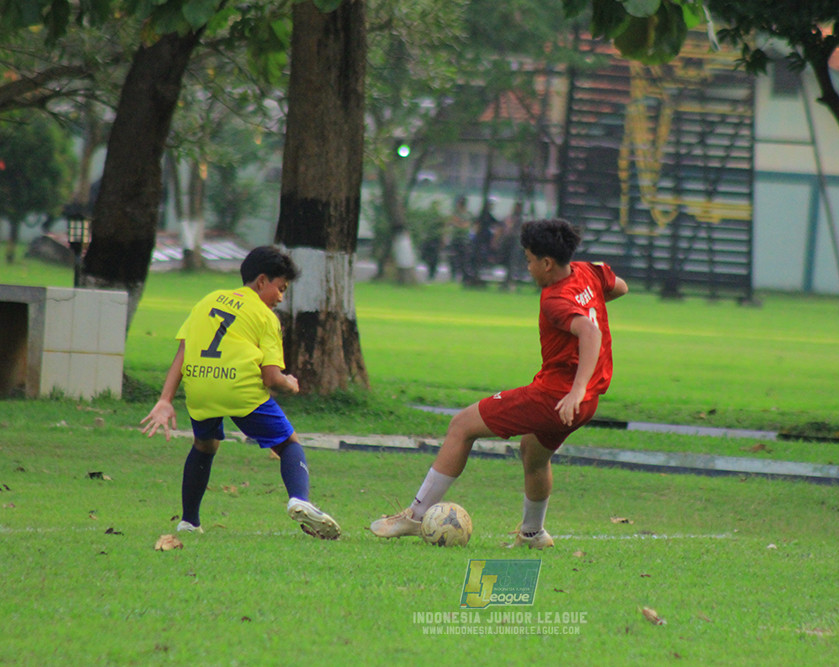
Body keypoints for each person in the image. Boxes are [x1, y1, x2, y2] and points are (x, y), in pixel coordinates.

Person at [370, 219, 628, 548]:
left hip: (557, 396)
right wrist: (591, 303)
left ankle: (415, 515)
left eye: (530, 259)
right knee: (533, 454)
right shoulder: (589, 271)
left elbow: (589, 333)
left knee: (462, 425)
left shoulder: (555, 299)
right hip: (586, 402)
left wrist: (575, 389)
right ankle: (533, 534)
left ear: (547, 263)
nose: (528, 266)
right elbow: (620, 287)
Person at [141, 245, 341, 540]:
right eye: (280, 288)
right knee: (288, 444)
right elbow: (271, 378)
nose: (281, 298)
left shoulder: (207, 301)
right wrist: (289, 382)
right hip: (240, 390)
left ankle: (189, 521)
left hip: (200, 387)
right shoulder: (264, 316)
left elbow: (183, 351)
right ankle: (300, 498)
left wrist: (164, 400)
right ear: (262, 281)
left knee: (204, 446)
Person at [446, 195, 473, 283]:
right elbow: (449, 223)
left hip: (463, 239)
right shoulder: (455, 213)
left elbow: (465, 226)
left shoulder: (467, 214)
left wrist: (457, 222)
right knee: (453, 258)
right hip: (455, 238)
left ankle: (464, 277)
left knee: (464, 259)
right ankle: (453, 275)